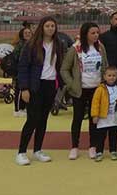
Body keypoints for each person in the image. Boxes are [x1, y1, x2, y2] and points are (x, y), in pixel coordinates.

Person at [15, 16, 64, 166]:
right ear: (42, 27)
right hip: (35, 85)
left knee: (43, 119)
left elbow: (61, 63)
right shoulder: (32, 45)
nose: (50, 28)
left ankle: (38, 150)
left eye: (53, 26)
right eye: (48, 26)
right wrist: (24, 88)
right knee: (32, 119)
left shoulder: (58, 44)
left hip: (50, 85)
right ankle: (21, 152)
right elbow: (23, 68)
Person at [61, 22, 107, 160]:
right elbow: (64, 69)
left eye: (97, 33)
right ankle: (74, 146)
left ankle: (93, 146)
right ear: (85, 34)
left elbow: (105, 65)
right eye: (92, 33)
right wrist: (71, 84)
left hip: (96, 89)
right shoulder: (75, 49)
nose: (96, 35)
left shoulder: (101, 47)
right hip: (80, 90)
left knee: (94, 119)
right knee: (78, 118)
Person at [90, 66, 117, 161]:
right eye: (109, 75)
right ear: (105, 76)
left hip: (114, 118)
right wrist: (95, 115)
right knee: (101, 136)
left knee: (113, 135)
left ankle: (113, 151)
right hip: (102, 118)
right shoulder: (100, 89)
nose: (112, 77)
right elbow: (95, 103)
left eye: (114, 75)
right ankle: (99, 152)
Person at [11, 27, 33, 117]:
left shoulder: (33, 44)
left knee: (27, 90)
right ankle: (18, 109)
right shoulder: (20, 45)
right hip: (20, 71)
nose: (28, 34)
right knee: (19, 90)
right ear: (22, 35)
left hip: (29, 71)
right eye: (26, 33)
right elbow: (16, 58)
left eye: (29, 32)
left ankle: (24, 108)